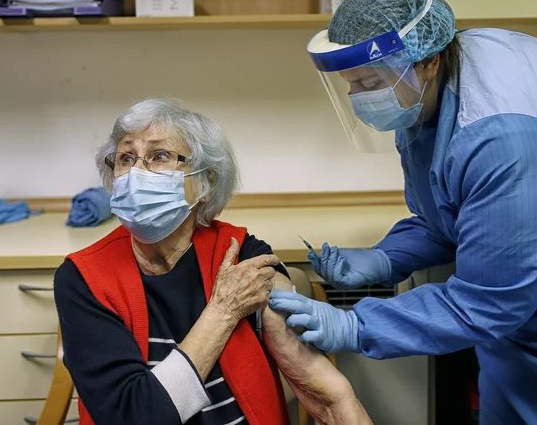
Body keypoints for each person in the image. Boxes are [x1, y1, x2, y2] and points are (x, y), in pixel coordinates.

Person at [269, 0, 537, 423]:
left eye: (370, 82)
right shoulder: (429, 94)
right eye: (352, 85)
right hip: (522, 308)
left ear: (428, 61)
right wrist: (388, 258)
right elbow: (458, 212)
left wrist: (355, 325)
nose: (360, 99)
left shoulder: (508, 135)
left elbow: (491, 301)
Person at [54, 98, 371, 425]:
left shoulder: (240, 254)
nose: (136, 172)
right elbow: (133, 416)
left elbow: (328, 395)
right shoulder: (82, 278)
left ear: (205, 182)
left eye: (159, 155)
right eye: (125, 157)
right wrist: (223, 311)